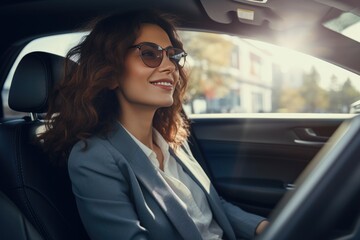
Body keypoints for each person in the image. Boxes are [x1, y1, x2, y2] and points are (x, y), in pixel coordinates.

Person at [38, 9, 269, 240]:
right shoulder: (93, 158)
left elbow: (212, 204)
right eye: (150, 54)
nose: (171, 67)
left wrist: (262, 227)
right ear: (110, 74)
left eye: (173, 56)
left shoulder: (173, 137)